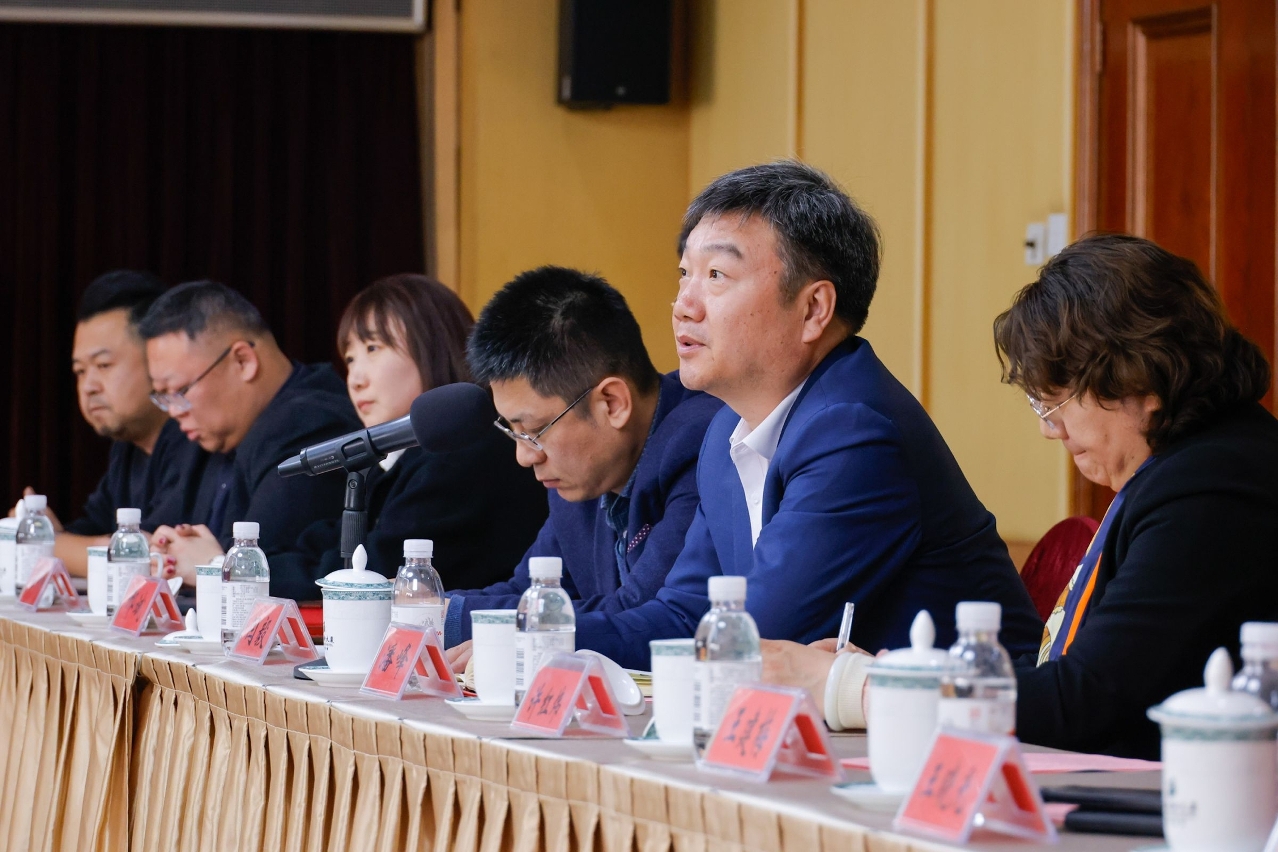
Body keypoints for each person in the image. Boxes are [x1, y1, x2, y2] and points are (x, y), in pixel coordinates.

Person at [780, 234, 1278, 759]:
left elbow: (1082, 701)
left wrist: (861, 689)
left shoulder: (1214, 484)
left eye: (1055, 401)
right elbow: (1061, 673)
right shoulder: (1192, 466)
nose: (1050, 429)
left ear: (1140, 376)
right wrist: (897, 675)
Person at [571, 161, 1042, 670]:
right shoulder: (726, 431)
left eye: (716, 275)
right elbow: (685, 616)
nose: (684, 305)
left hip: (976, 709)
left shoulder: (854, 433)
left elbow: (756, 638)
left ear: (814, 308)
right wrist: (534, 636)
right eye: (685, 273)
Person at [441, 266, 723, 652]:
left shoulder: (702, 445)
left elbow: (650, 614)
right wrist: (428, 608)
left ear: (612, 403)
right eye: (513, 431)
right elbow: (530, 591)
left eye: (534, 430)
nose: (524, 456)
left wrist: (468, 622)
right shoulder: (581, 474)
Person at [268, 274, 548, 589]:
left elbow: (374, 573)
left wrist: (246, 571)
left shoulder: (464, 451)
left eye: (373, 348)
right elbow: (330, 542)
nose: (355, 379)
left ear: (434, 345)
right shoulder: (401, 458)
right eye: (350, 359)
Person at [141, 280, 362, 600]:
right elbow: (158, 536)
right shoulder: (208, 433)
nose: (174, 411)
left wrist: (204, 563)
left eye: (180, 391)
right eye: (163, 396)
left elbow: (258, 568)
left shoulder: (311, 424)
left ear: (243, 361)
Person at [17, 271, 207, 576]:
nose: (88, 386)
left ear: (157, 358)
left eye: (103, 365)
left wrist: (43, 543)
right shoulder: (127, 447)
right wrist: (51, 533)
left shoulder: (195, 436)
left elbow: (146, 557)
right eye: (80, 371)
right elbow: (92, 529)